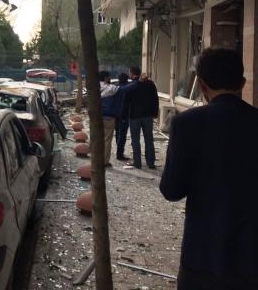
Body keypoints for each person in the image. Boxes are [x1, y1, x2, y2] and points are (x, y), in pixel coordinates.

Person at [160, 48, 258, 288]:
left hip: (202, 255)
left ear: (202, 86)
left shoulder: (186, 123)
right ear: (242, 83)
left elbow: (171, 190)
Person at [99, 71, 138, 167]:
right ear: (105, 78)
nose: (109, 79)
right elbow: (125, 89)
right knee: (107, 140)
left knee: (98, 139)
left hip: (97, 117)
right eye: (108, 77)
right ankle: (104, 161)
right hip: (109, 117)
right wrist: (139, 81)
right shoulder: (110, 88)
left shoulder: (95, 87)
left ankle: (96, 160)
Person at [124, 66, 159, 169]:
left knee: (135, 140)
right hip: (148, 116)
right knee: (149, 139)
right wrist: (155, 112)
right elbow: (155, 99)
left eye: (130, 73)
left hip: (134, 116)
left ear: (132, 74)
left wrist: (124, 115)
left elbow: (126, 101)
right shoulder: (150, 84)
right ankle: (151, 162)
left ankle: (137, 162)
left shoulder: (132, 85)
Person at [114, 73, 131, 161]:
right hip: (124, 114)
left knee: (117, 132)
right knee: (122, 134)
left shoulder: (115, 88)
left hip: (115, 114)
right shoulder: (127, 89)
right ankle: (120, 153)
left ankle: (118, 150)